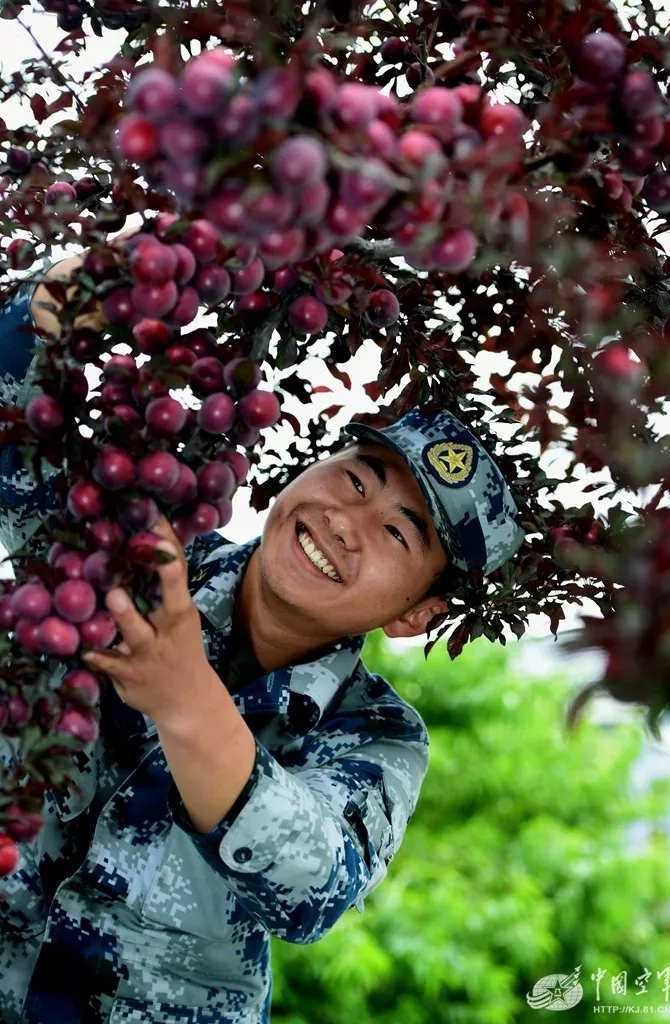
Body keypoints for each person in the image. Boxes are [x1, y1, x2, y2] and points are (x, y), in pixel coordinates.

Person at [0, 245, 525, 1024]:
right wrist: (49, 306)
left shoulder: (378, 737)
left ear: (417, 613)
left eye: (398, 533)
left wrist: (184, 698)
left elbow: (316, 883)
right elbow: (21, 450)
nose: (347, 522)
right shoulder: (145, 551)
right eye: (354, 478)